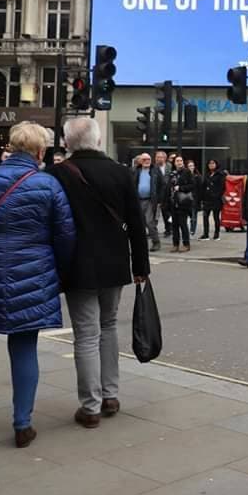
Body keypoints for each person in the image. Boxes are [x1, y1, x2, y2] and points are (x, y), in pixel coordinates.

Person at [0, 122, 75, 448]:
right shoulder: (47, 185)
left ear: (12, 146)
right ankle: (22, 424)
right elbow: (65, 235)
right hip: (30, 276)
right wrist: (59, 272)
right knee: (24, 346)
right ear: (40, 151)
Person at [49, 118, 149, 429]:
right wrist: (140, 267)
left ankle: (90, 406)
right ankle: (111, 395)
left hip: (77, 264)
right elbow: (136, 224)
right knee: (107, 327)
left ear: (67, 142)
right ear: (98, 139)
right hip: (115, 262)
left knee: (86, 335)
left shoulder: (56, 174)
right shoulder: (120, 173)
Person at [133, 152, 165, 252]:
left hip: (151, 201)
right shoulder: (135, 170)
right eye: (144, 159)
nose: (147, 161)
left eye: (148, 159)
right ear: (140, 161)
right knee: (139, 223)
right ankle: (141, 244)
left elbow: (162, 185)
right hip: (138, 200)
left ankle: (156, 242)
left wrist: (160, 199)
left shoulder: (155, 170)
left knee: (149, 222)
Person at [168, 156, 194, 253]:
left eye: (181, 161)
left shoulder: (187, 172)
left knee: (183, 224)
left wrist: (181, 188)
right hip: (173, 201)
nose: (179, 162)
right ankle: (175, 244)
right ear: (174, 163)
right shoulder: (172, 173)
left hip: (183, 202)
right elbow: (169, 187)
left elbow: (192, 185)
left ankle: (186, 244)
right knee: (174, 225)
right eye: (177, 161)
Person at [199, 159, 226, 241]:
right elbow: (203, 186)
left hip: (216, 199)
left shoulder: (220, 174)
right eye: (210, 163)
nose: (211, 165)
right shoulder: (207, 174)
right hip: (207, 199)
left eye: (213, 163)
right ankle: (206, 234)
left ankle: (216, 234)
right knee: (205, 216)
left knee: (216, 217)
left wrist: (216, 195)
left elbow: (222, 187)